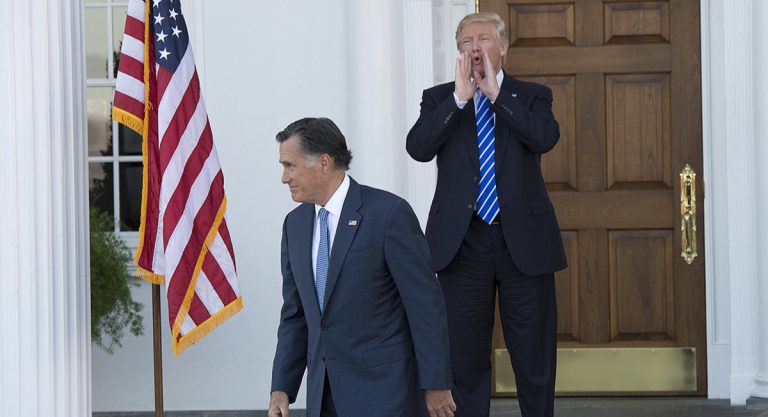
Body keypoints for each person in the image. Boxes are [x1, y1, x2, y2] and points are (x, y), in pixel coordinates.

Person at [405, 12, 567, 417]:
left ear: (503, 47)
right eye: (467, 41)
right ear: (459, 52)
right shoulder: (440, 98)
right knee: (464, 358)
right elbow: (418, 148)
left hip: (523, 243)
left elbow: (544, 137)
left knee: (533, 358)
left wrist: (496, 95)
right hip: (462, 244)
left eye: (484, 39)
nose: (475, 47)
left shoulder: (532, 95)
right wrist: (460, 100)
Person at [269, 117, 456, 417]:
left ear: (323, 163)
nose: (284, 177)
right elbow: (295, 315)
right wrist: (281, 388)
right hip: (323, 396)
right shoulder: (295, 225)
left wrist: (435, 384)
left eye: (290, 166)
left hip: (384, 394)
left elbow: (425, 306)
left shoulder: (389, 214)